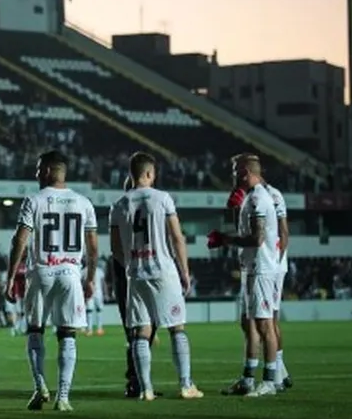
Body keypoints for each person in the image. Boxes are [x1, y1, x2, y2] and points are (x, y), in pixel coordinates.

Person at [3, 150, 98, 412]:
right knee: (68, 335)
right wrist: (90, 279)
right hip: (70, 273)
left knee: (35, 331)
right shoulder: (84, 203)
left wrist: (11, 276)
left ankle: (39, 386)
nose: (35, 174)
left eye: (37, 169)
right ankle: (63, 397)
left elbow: (19, 240)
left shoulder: (34, 200)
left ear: (46, 171)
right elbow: (93, 249)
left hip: (41, 273)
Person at [110, 152, 203, 401]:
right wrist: (184, 271)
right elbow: (177, 237)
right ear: (149, 173)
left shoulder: (119, 205)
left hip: (136, 275)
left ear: (131, 174)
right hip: (163, 270)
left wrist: (130, 264)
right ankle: (186, 385)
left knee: (141, 331)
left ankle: (146, 389)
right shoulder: (162, 199)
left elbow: (116, 249)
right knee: (176, 327)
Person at [210, 154, 281, 397]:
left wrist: (226, 239)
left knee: (264, 324)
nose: (232, 176)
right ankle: (248, 379)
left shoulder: (257, 200)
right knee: (249, 323)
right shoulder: (250, 197)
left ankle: (270, 380)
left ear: (244, 173)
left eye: (234, 171)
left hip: (261, 269)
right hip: (251, 269)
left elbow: (258, 238)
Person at [111, 176, 160, 398]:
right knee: (140, 330)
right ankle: (136, 381)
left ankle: (137, 380)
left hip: (127, 271)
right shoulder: (152, 206)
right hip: (140, 271)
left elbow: (116, 248)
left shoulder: (120, 208)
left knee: (137, 329)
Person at [264, 180, 293, 390]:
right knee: (264, 320)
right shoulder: (275, 194)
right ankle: (280, 372)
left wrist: (275, 262)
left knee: (268, 320)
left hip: (269, 266)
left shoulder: (268, 196)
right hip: (269, 265)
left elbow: (284, 233)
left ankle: (276, 375)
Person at [84, 260, 105, 336]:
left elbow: (103, 283)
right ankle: (89, 329)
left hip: (98, 293)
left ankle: (99, 328)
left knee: (99, 310)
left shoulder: (99, 271)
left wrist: (105, 293)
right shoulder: (85, 270)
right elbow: (82, 281)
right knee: (89, 310)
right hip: (89, 293)